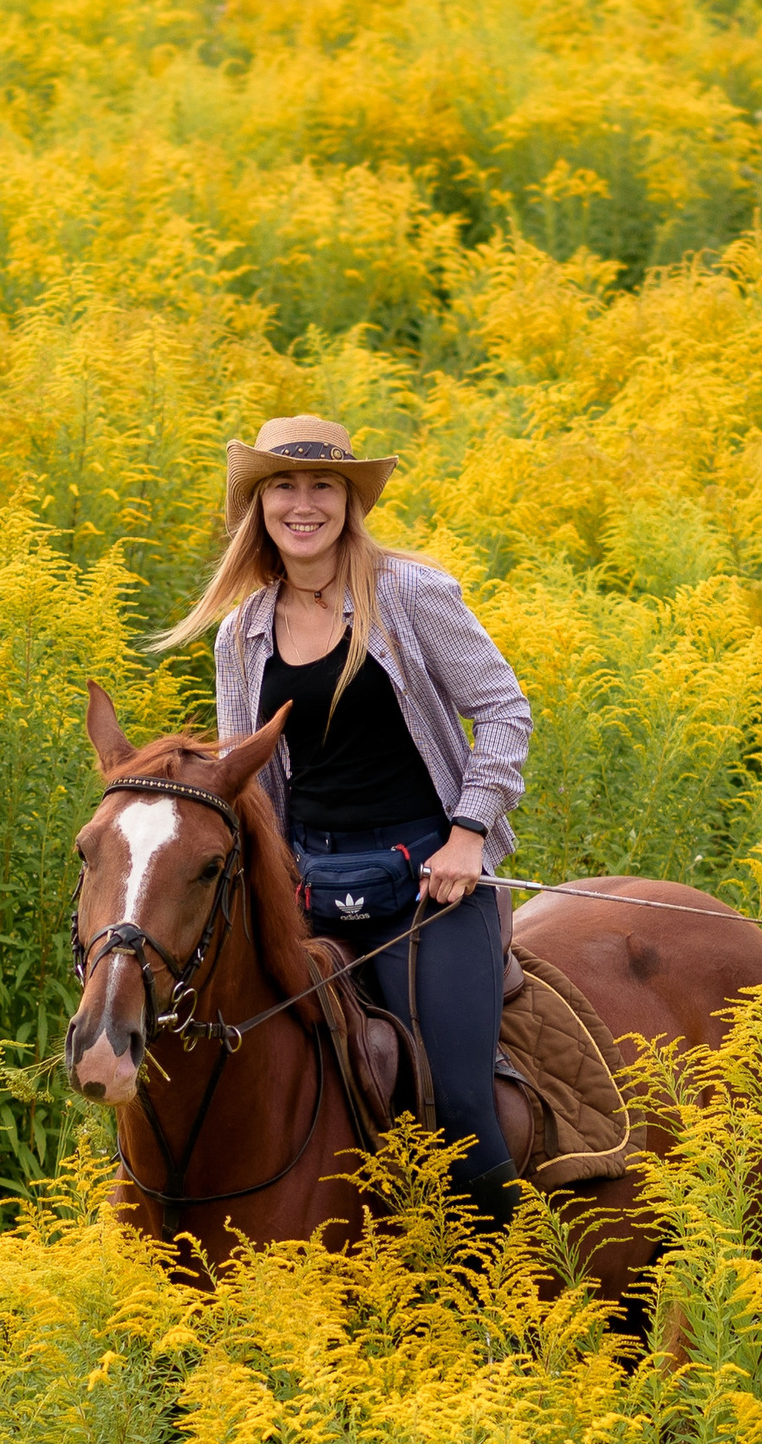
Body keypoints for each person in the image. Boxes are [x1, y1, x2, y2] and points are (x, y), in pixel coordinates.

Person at [160, 414, 532, 1229]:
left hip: (431, 885)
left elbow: (504, 712)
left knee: (460, 1106)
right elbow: (247, 782)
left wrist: (469, 832)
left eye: (323, 485)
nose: (304, 504)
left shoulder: (409, 594)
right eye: (284, 487)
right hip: (306, 890)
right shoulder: (240, 634)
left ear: (349, 500)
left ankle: (519, 1275)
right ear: (258, 506)